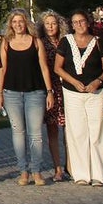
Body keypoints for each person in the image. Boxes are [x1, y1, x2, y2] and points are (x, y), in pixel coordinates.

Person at [0, 9, 53, 186]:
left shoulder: (36, 42)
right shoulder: (6, 42)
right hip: (11, 93)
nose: (18, 25)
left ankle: (36, 170)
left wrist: (49, 91)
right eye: (14, 22)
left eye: (21, 21)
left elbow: (44, 67)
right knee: (18, 133)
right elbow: (3, 69)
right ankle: (23, 170)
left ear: (26, 22)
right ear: (10, 24)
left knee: (35, 133)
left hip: (35, 92)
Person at [54, 9, 103, 186]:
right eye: (75, 22)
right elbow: (58, 68)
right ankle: (81, 174)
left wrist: (97, 81)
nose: (79, 25)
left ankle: (99, 174)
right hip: (72, 92)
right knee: (77, 132)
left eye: (82, 21)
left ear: (88, 22)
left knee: (97, 131)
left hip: (95, 93)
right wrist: (74, 82)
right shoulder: (66, 41)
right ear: (72, 25)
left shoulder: (98, 42)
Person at [36, 10, 67, 182]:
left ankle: (71, 165)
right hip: (50, 90)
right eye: (47, 23)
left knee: (69, 132)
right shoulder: (40, 43)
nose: (50, 26)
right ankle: (58, 168)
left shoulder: (66, 42)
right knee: (52, 131)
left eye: (53, 23)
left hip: (66, 88)